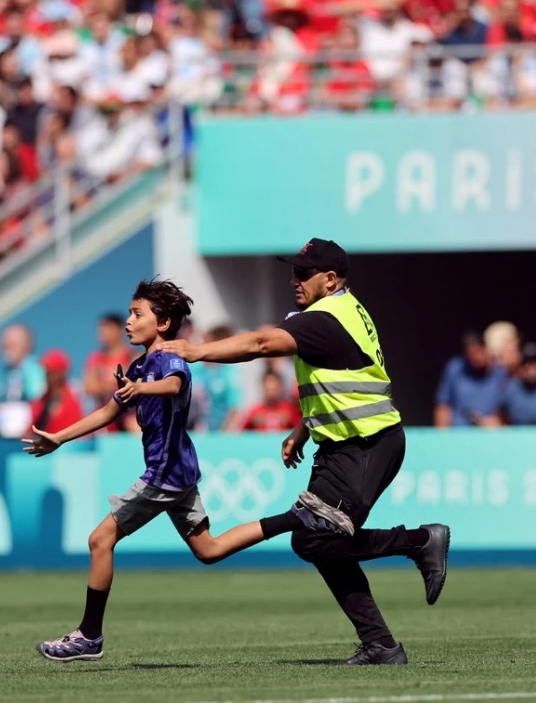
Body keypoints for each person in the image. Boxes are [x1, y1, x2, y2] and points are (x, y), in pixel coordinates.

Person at [157, 239, 449, 666]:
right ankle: (381, 646)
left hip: (367, 444)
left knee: (314, 532)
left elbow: (259, 344)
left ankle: (421, 541)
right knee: (316, 543)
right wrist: (304, 427)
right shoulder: (340, 312)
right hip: (345, 443)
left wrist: (196, 351)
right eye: (293, 270)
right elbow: (345, 376)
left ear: (330, 280)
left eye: (304, 272)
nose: (294, 279)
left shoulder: (324, 318)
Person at [23, 280, 333, 663]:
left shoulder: (167, 359)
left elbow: (174, 384)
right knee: (209, 549)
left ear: (164, 323)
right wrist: (59, 437)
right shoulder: (140, 366)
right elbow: (108, 411)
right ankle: (296, 517)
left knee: (99, 540)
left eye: (138, 314)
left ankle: (89, 636)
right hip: (179, 469)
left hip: (166, 472)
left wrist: (140, 390)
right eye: (129, 313)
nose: (128, 321)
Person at [0, 324, 46, 440]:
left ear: (27, 345)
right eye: (4, 345)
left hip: (30, 441)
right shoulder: (0, 374)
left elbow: (39, 402)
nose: (7, 349)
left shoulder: (38, 369)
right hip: (1, 440)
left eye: (12, 345)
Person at [434, 332, 509, 427]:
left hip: (490, 434)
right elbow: (443, 406)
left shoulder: (501, 371)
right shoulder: (455, 368)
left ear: (486, 348)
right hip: (458, 433)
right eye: (472, 354)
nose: (477, 358)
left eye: (479, 352)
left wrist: (498, 421)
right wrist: (442, 437)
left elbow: (509, 408)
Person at [29, 349, 84, 436]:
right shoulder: (39, 400)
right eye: (46, 372)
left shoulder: (75, 398)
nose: (47, 375)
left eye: (51, 372)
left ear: (61, 373)